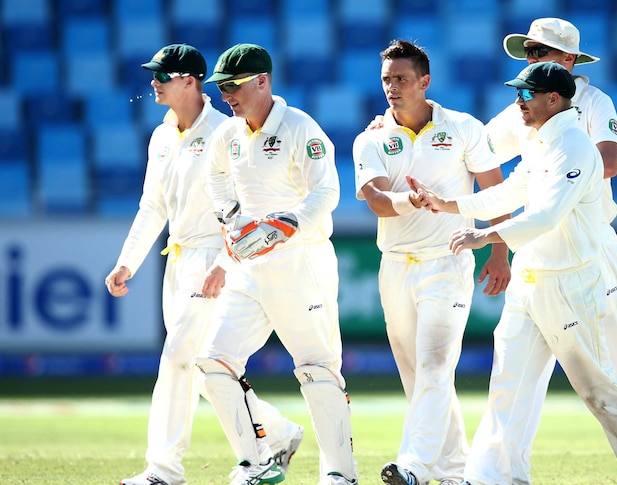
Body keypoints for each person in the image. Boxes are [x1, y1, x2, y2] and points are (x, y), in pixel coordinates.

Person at [410, 61, 617, 485]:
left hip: (569, 283)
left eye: (526, 94)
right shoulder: (539, 140)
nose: (518, 102)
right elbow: (513, 190)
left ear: (554, 99)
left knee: (597, 389)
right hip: (531, 278)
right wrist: (449, 204)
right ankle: (495, 477)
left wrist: (485, 235)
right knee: (510, 382)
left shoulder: (575, 147)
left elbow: (546, 215)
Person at [105, 43, 303, 485]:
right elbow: (152, 207)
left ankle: (164, 470)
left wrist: (222, 260)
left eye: (162, 76)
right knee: (197, 366)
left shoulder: (225, 130)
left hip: (217, 258)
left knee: (178, 358)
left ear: (190, 81)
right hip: (177, 260)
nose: (153, 83)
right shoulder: (161, 136)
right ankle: (279, 434)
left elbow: (246, 204)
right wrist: (127, 262)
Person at [484, 17, 617, 482]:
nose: (531, 61)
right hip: (538, 245)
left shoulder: (590, 101)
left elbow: (609, 160)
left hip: (587, 246)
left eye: (540, 52)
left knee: (615, 363)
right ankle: (495, 473)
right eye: (527, 52)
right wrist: (406, 119)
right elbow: (477, 150)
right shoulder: (526, 103)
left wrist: (562, 151)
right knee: (514, 365)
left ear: (568, 59)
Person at [194, 43, 357, 485]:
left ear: (262, 81)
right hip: (249, 266)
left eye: (234, 85)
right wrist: (232, 225)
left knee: (316, 367)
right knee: (213, 363)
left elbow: (328, 193)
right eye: (222, 87)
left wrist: (287, 223)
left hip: (300, 260)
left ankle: (341, 475)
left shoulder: (301, 128)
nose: (226, 94)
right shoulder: (226, 135)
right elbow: (216, 183)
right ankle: (261, 459)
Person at [352, 39, 511, 485]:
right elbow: (380, 203)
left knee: (437, 362)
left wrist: (499, 250)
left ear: (425, 81)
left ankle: (413, 466)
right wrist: (413, 199)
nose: (392, 88)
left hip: (448, 260)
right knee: (418, 372)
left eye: (401, 79)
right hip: (396, 265)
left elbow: (494, 189)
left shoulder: (463, 127)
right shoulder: (371, 138)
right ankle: (455, 472)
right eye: (386, 80)